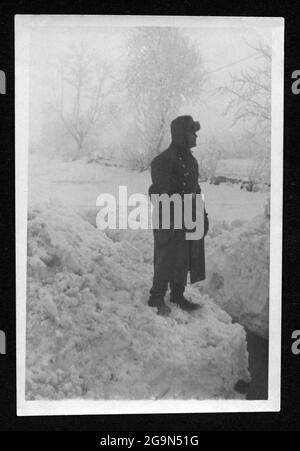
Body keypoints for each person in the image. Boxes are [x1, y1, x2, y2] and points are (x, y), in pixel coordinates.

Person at [148, 115, 209, 316]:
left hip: (188, 215)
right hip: (168, 216)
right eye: (192, 133)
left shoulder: (192, 161)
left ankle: (177, 294)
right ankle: (156, 297)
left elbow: (196, 190)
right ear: (182, 135)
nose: (195, 137)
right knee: (165, 256)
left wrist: (202, 214)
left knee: (183, 257)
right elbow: (159, 192)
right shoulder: (162, 161)